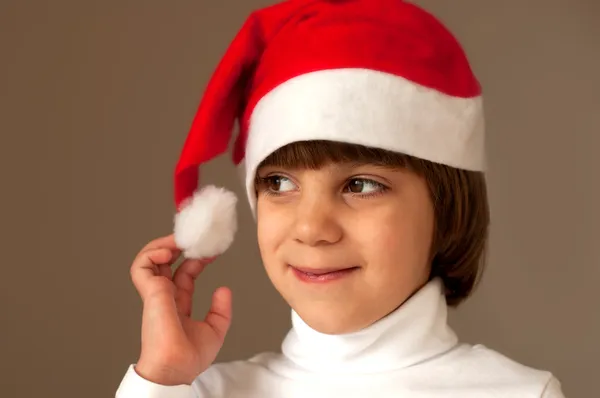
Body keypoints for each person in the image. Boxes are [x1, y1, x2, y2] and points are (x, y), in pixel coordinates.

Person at [116, 0, 565, 397]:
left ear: (445, 207)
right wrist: (162, 380)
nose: (311, 228)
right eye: (278, 184)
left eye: (361, 185)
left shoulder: (520, 393)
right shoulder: (198, 392)